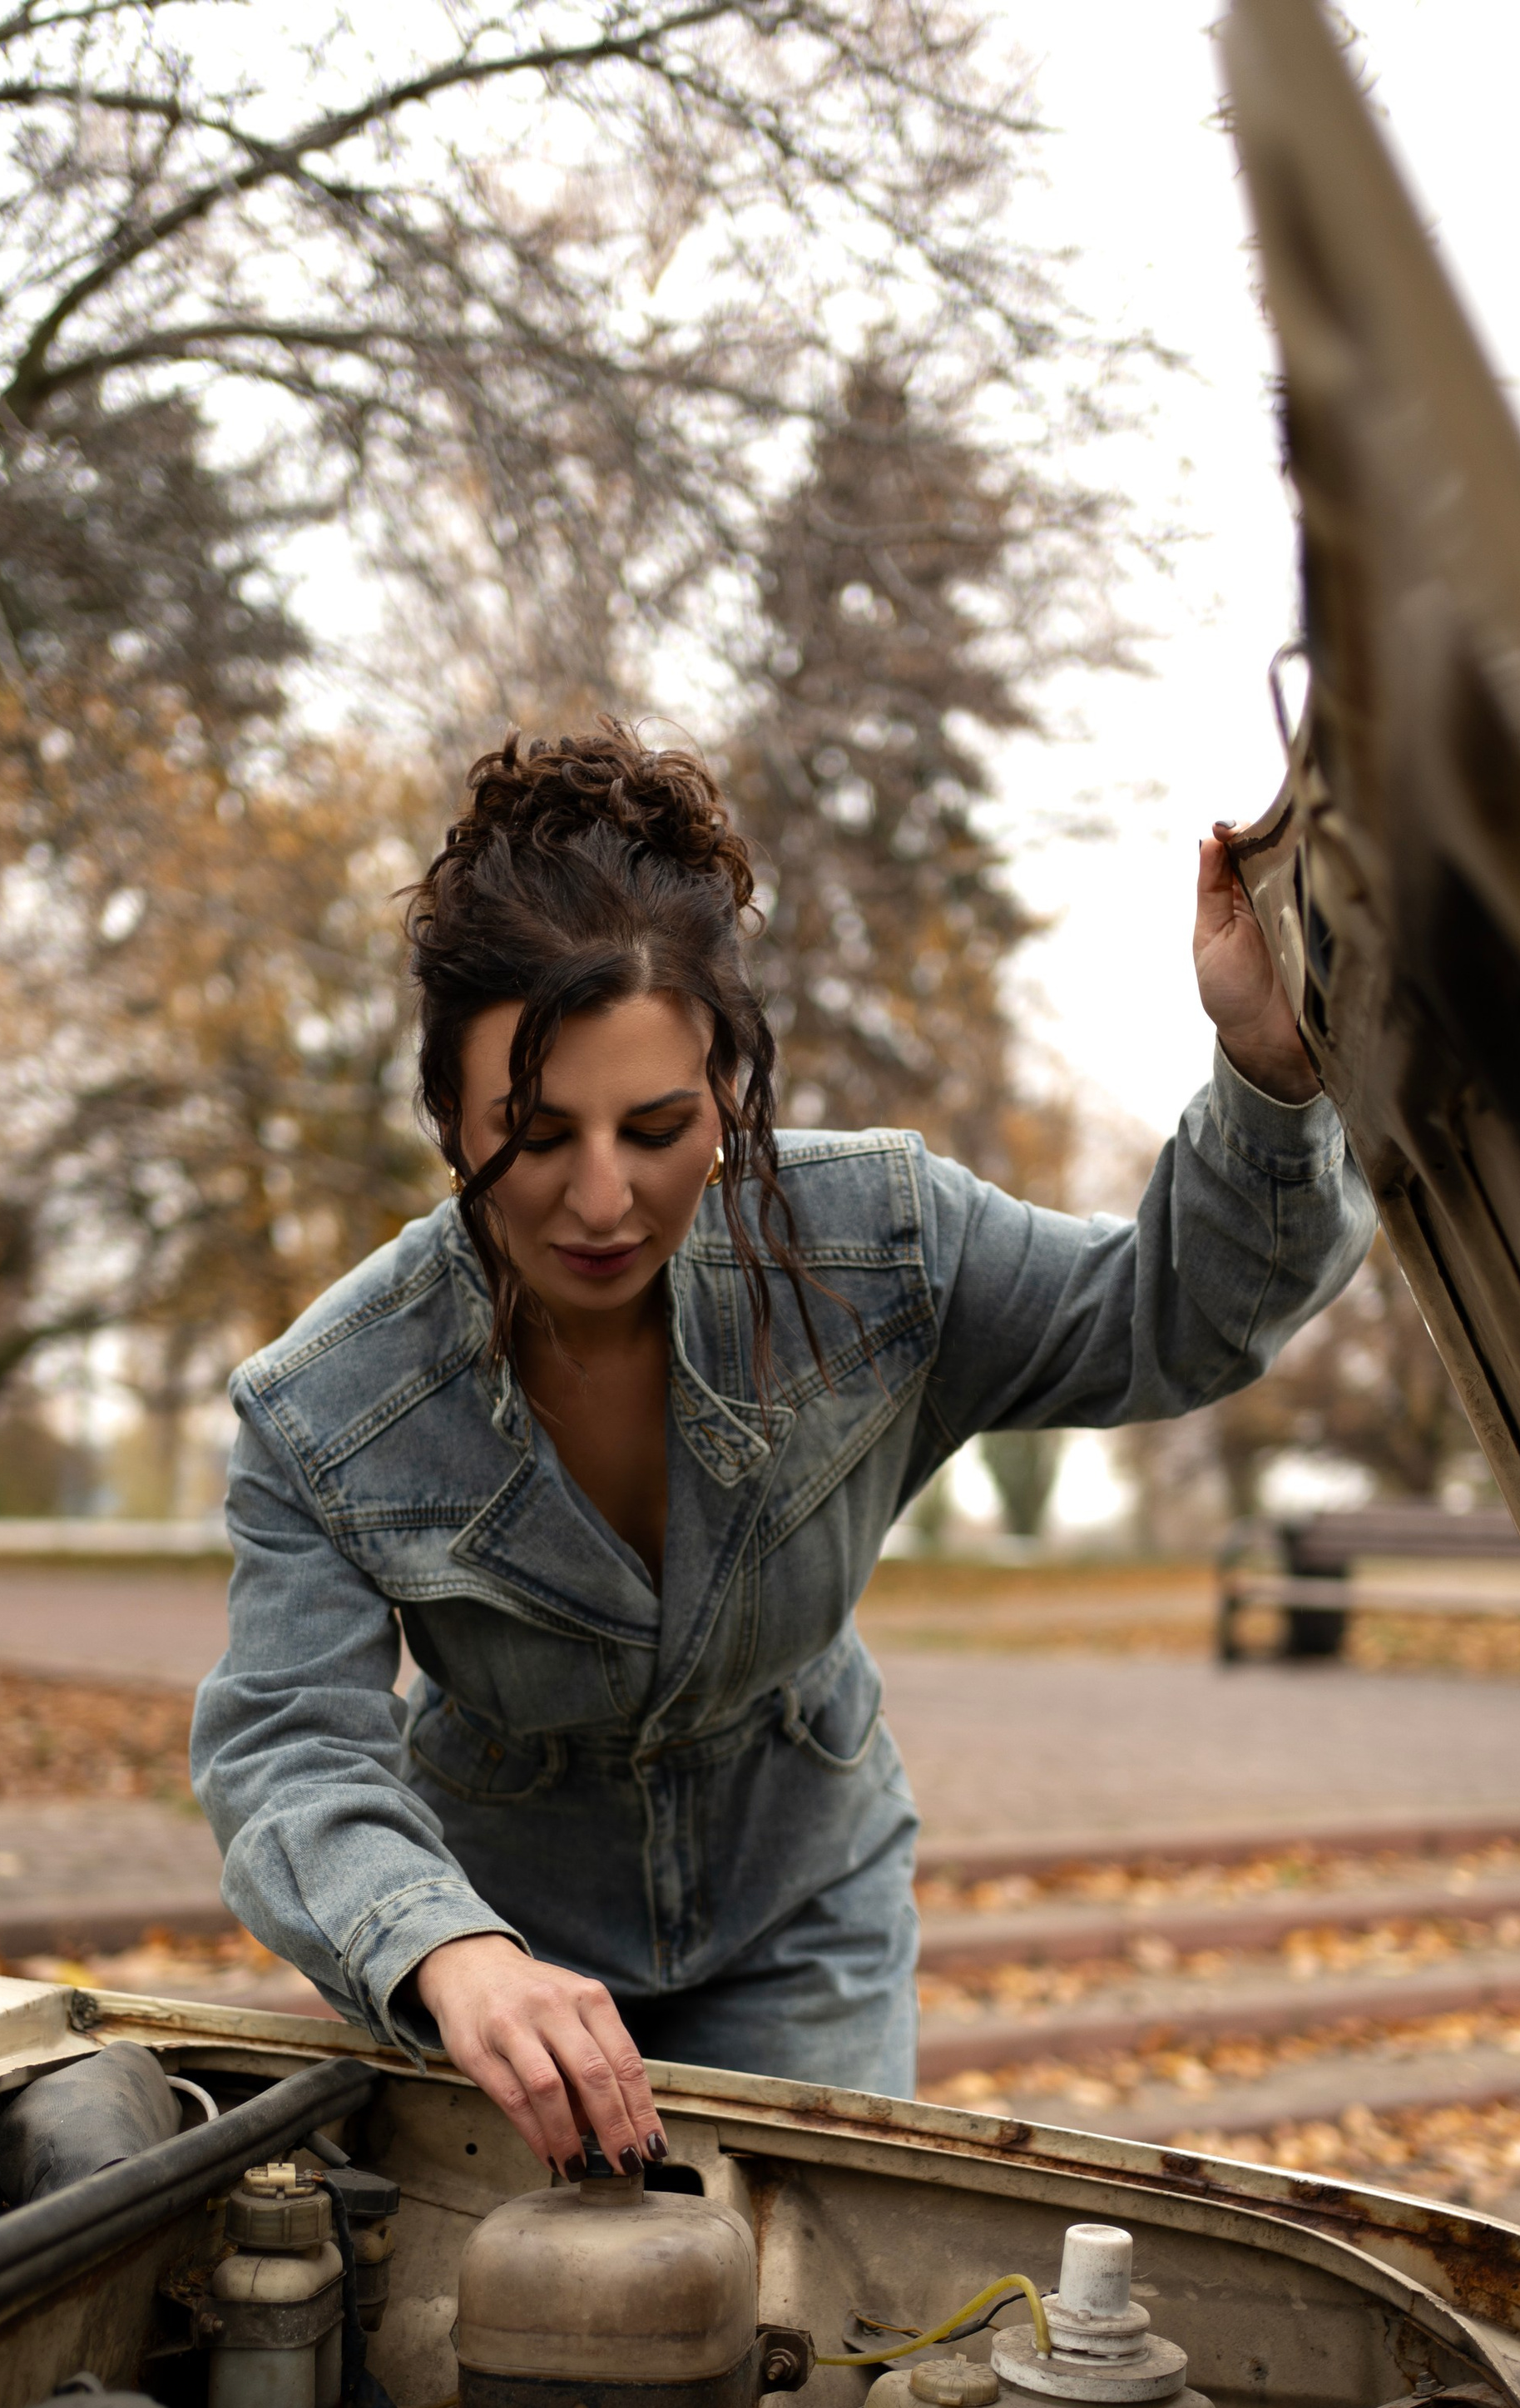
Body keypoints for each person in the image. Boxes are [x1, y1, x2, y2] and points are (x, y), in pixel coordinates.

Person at [191, 722, 1373, 2175]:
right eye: (538, 1133)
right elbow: (287, 1746)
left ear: (731, 1087)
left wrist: (1269, 1072)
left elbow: (1172, 1318)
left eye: (661, 1124)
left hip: (804, 1914)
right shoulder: (325, 1406)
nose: (604, 1198)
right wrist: (447, 1952)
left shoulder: (881, 1245)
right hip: (497, 1961)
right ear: (448, 1113)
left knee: (803, 2340)